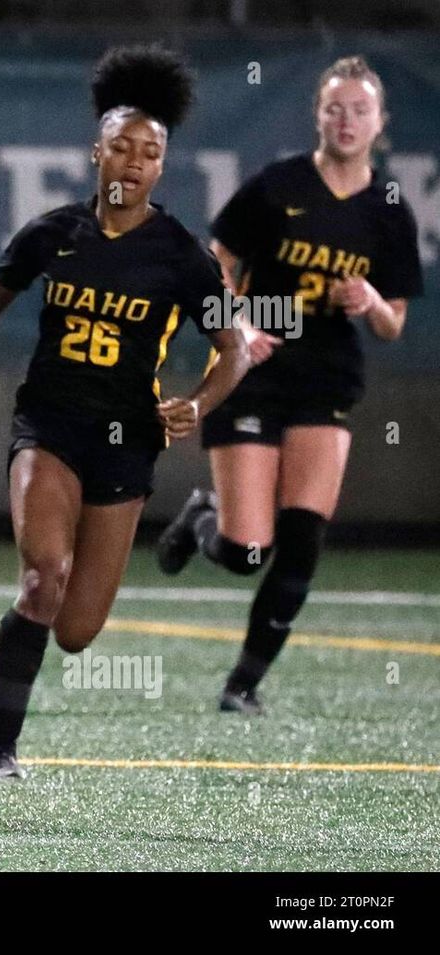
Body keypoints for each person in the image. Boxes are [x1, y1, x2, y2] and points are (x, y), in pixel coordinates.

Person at [0, 46, 250, 779]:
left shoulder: (180, 255)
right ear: (97, 153)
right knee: (43, 576)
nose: (135, 162)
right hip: (49, 425)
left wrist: (199, 404)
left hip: (127, 443)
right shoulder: (55, 231)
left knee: (76, 631)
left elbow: (233, 348)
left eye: (150, 152)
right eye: (122, 147)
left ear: (162, 167)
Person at [157, 56, 424, 715]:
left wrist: (370, 301)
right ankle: (203, 519)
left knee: (303, 538)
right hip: (251, 370)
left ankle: (242, 684)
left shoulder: (389, 206)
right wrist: (238, 318)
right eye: (336, 107)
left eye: (361, 109)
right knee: (250, 551)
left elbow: (393, 323)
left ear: (380, 122)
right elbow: (212, 257)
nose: (347, 120)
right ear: (318, 115)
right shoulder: (279, 184)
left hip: (326, 376)